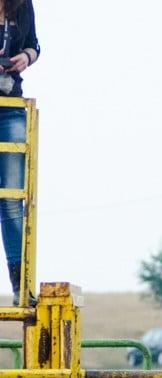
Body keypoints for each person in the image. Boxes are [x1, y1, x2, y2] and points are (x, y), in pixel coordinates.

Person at [0, 0, 39, 305]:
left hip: (11, 103)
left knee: (13, 199)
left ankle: (20, 287)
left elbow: (35, 45)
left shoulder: (21, 4)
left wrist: (25, 57)